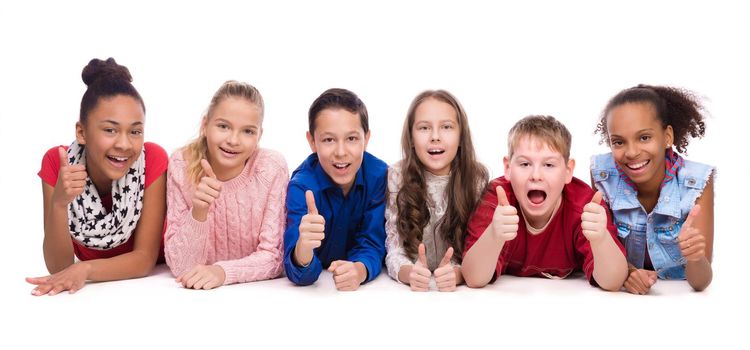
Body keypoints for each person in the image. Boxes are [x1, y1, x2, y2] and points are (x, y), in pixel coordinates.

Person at [29, 58, 168, 295]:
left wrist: (85, 270)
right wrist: (60, 203)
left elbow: (145, 258)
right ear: (81, 132)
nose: (124, 144)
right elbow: (59, 267)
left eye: (135, 131)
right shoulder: (57, 162)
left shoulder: (152, 158)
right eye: (110, 130)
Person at [462, 115, 627, 291]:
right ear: (508, 168)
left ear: (568, 171)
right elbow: (473, 278)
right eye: (525, 164)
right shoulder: (498, 200)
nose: (536, 175)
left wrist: (601, 239)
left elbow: (612, 282)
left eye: (548, 165)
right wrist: (494, 235)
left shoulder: (585, 208)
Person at [164, 80, 288, 290]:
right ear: (205, 125)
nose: (233, 140)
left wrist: (222, 272)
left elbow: (274, 257)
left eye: (247, 131)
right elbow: (180, 267)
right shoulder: (181, 164)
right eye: (223, 126)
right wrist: (199, 212)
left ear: (259, 136)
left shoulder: (270, 168)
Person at [591, 84, 714, 293]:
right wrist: (628, 272)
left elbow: (700, 282)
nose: (631, 152)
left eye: (644, 137)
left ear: (667, 137)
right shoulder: (602, 176)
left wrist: (695, 257)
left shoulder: (698, 182)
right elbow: (602, 248)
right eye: (619, 142)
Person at [283, 88, 387, 291]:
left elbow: (373, 241)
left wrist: (360, 269)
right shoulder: (301, 187)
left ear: (366, 138)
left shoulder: (379, 177)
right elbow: (298, 271)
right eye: (329, 140)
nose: (341, 152)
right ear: (312, 141)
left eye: (351, 139)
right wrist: (304, 247)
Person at [385, 90, 488, 291]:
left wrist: (458, 273)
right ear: (411, 138)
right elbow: (393, 247)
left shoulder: (476, 179)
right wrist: (408, 273)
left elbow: (477, 247)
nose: (435, 137)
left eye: (446, 127)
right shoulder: (397, 175)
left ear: (461, 137)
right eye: (424, 128)